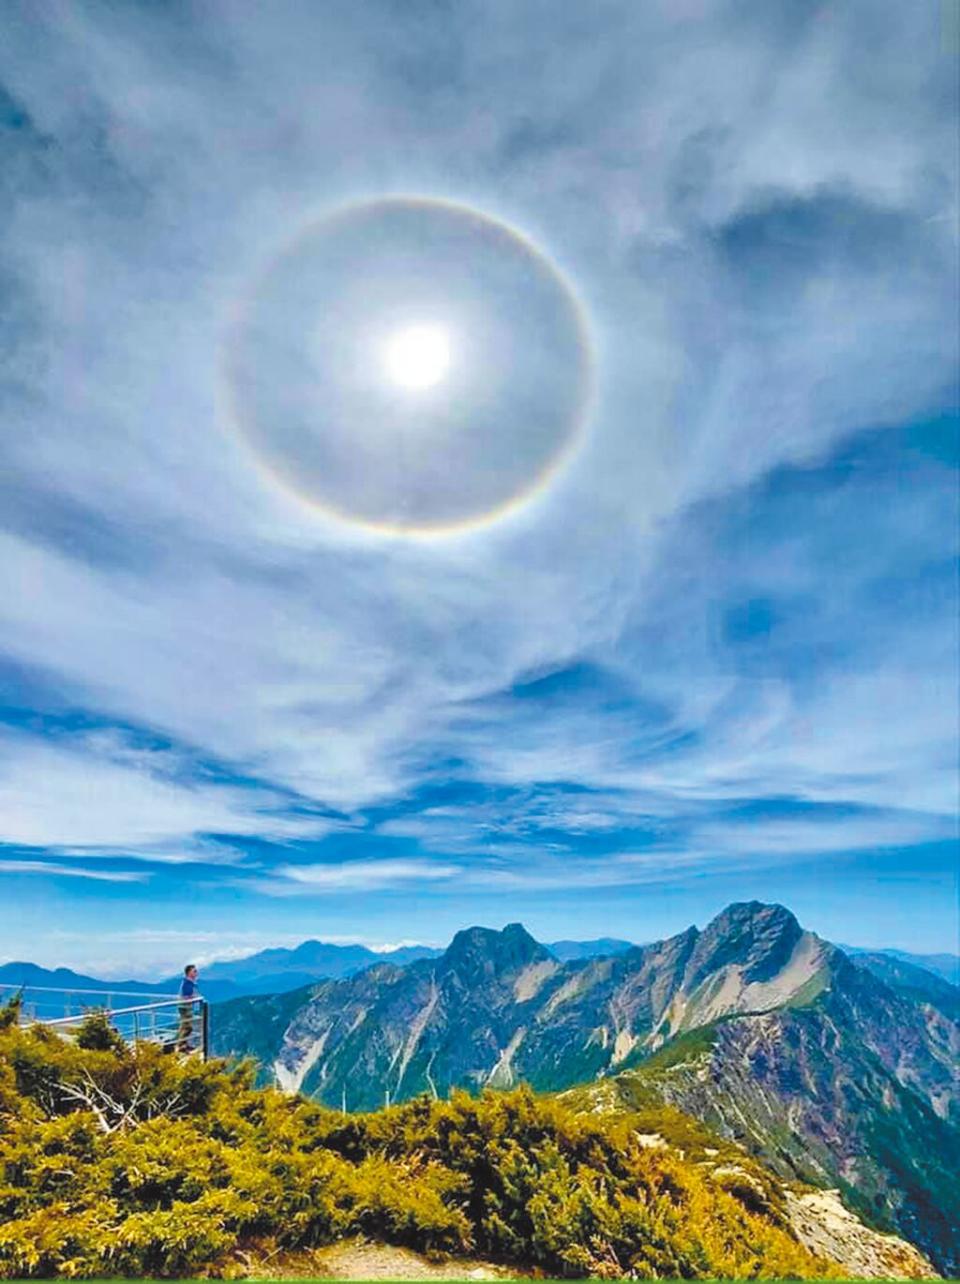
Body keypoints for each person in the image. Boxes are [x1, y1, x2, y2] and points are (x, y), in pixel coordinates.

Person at [176, 964, 201, 1052]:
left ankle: (183, 1044)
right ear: (189, 972)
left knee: (184, 1026)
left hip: (186, 1006)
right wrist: (195, 997)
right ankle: (180, 1045)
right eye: (194, 971)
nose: (196, 973)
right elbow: (187, 996)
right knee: (187, 1027)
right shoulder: (187, 983)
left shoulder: (189, 982)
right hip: (185, 1007)